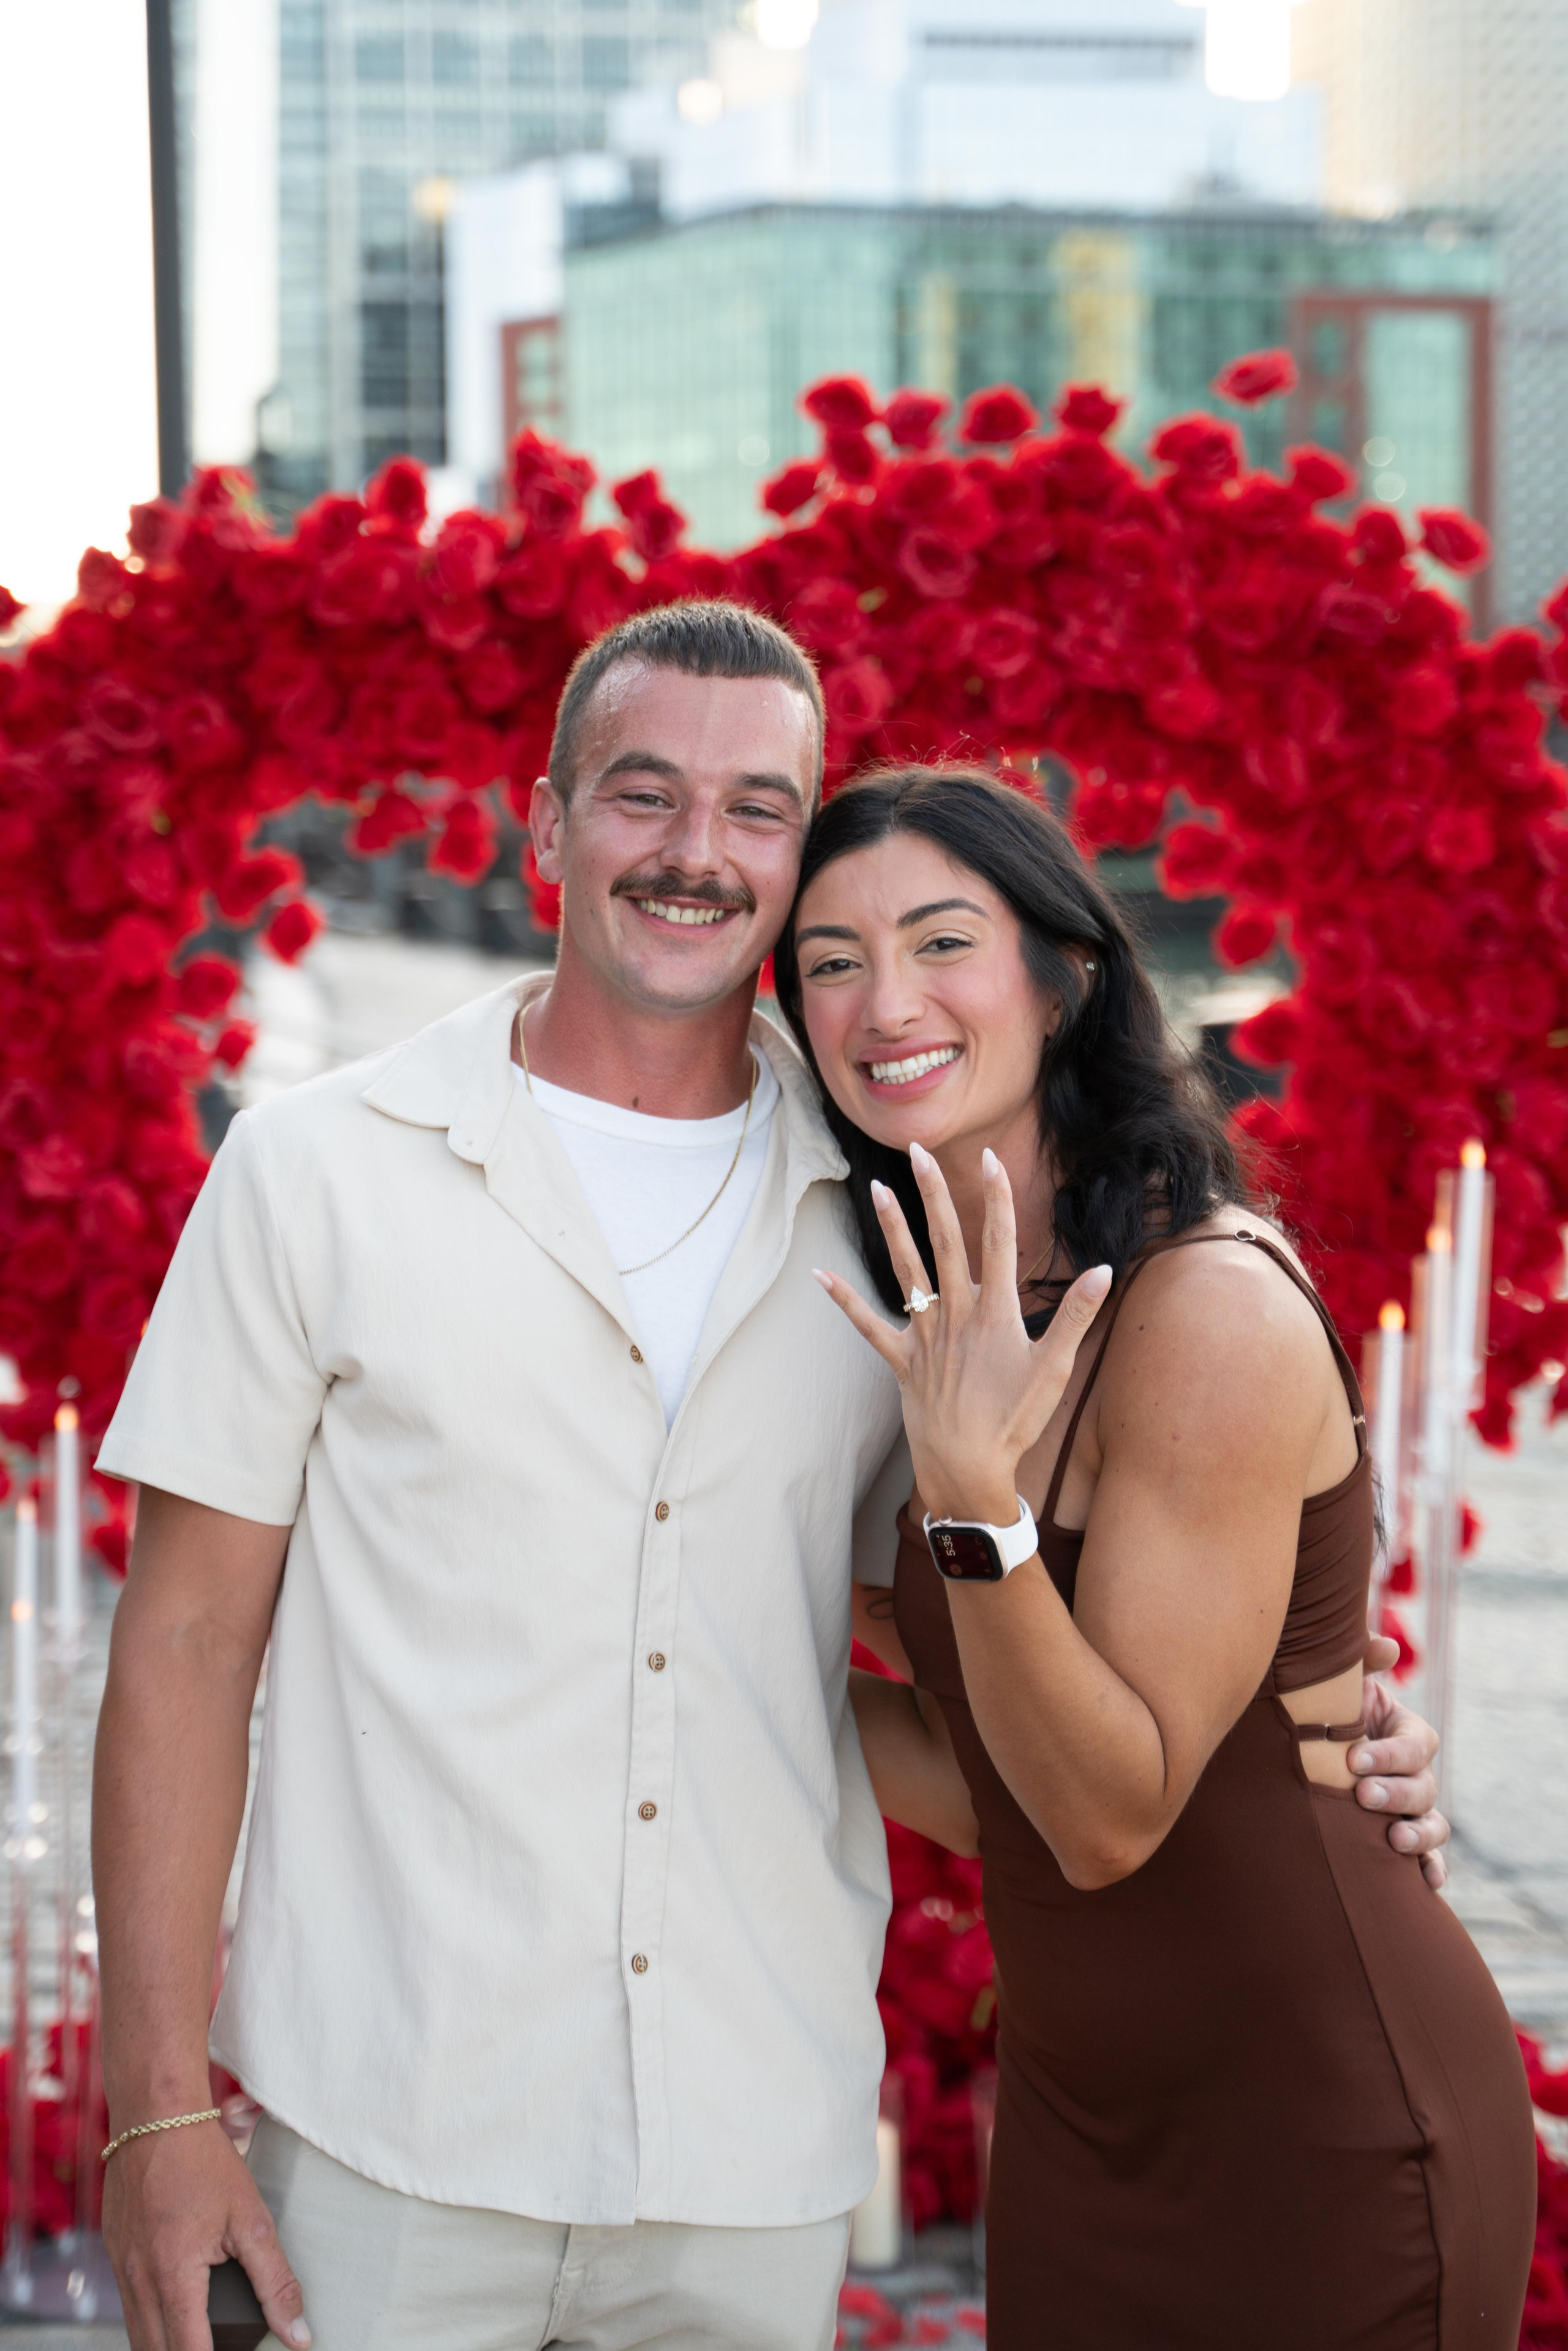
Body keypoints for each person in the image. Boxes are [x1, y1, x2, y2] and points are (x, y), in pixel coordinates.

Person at [92, 604, 1451, 2351]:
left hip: (754, 2161)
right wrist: (154, 2109)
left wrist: (1314, 1728)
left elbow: (1046, 1639)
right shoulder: (315, 1170)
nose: (695, 853)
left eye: (757, 811)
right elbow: (189, 1645)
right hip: (390, 2133)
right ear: (545, 827)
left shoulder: (901, 1213)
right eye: (643, 796)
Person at [785, 764, 1537, 2351]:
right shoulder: (943, 1304)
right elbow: (981, 1759)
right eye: (831, 958)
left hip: (1321, 2127)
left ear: (1066, 979)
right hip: (1080, 2130)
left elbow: (1106, 1815)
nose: (881, 1000)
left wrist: (976, 1506)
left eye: (939, 942)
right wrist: (660, 1667)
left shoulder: (1207, 1309)